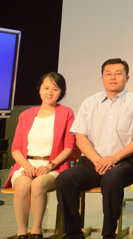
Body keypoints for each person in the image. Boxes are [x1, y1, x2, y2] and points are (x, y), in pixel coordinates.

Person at [56, 58, 133, 239]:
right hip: (92, 163)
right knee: (64, 179)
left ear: (127, 78)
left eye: (118, 74)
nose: (113, 78)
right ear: (102, 77)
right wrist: (98, 161)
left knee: (112, 178)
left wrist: (113, 158)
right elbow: (80, 137)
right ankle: (73, 233)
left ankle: (109, 233)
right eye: (108, 74)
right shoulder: (90, 102)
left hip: (123, 163)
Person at [8, 72, 75, 239]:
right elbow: (15, 148)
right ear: (39, 90)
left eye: (55, 89)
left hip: (54, 166)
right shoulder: (26, 115)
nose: (50, 92)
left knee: (38, 184)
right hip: (26, 165)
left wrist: (49, 166)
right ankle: (22, 232)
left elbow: (69, 147)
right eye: (46, 88)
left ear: (61, 93)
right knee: (22, 186)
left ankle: (37, 231)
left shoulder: (66, 112)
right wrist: (27, 166)